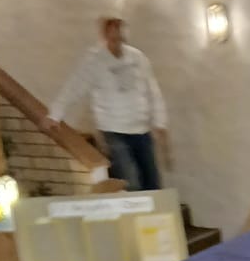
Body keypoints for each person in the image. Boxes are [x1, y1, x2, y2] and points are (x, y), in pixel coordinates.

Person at [48, 17, 171, 191]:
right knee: (130, 182)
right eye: (112, 37)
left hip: (141, 129)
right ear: (105, 36)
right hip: (114, 130)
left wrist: (160, 121)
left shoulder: (137, 58)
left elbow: (152, 90)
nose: (116, 42)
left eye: (119, 37)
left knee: (151, 181)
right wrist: (55, 114)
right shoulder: (94, 60)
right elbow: (74, 87)